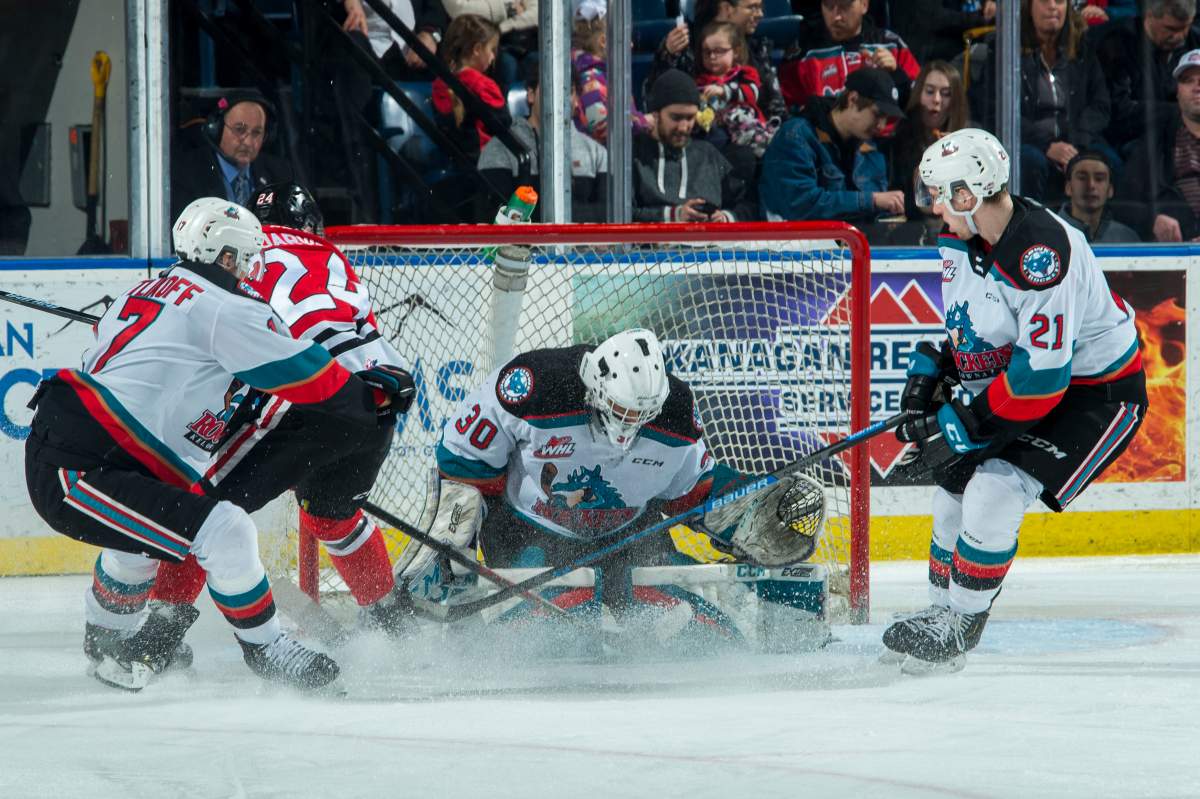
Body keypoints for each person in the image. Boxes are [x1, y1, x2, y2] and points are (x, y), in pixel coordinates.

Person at [22, 198, 409, 691]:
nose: (249, 271)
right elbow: (307, 377)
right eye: (245, 260)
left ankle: (107, 644)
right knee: (222, 525)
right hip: (82, 466)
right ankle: (268, 651)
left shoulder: (143, 291)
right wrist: (371, 397)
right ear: (226, 257)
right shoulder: (224, 307)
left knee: (153, 536)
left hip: (90, 449)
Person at [883, 129, 1147, 673]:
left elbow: (1042, 379)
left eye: (940, 192)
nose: (933, 204)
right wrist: (943, 365)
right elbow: (987, 333)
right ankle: (939, 613)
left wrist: (964, 422)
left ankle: (961, 623)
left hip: (1097, 393)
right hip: (1038, 381)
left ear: (968, 194)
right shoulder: (964, 238)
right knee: (953, 486)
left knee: (994, 487)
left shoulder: (1040, 254)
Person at [146, 184, 419, 646]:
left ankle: (158, 638)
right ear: (313, 226)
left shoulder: (244, 252)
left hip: (313, 398)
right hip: (381, 399)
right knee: (332, 513)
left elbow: (246, 334)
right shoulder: (333, 256)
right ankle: (391, 622)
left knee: (202, 508)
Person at [396, 328, 818, 621]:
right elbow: (461, 465)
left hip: (629, 534)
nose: (627, 429)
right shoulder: (532, 386)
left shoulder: (674, 415)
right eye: (620, 412)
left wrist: (746, 508)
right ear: (595, 388)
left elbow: (694, 491)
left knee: (698, 627)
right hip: (529, 531)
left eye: (641, 416)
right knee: (555, 629)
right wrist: (451, 547)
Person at [973, 0, 1113, 203]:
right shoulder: (1006, 48)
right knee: (1029, 161)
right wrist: (1046, 145)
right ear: (1028, 7)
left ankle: (1103, 233)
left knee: (1109, 162)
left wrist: (1076, 143)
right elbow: (995, 110)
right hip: (1029, 142)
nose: (1053, 6)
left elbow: (1101, 106)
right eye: (1045, 1)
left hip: (1078, 139)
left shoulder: (1082, 48)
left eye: (1059, 1)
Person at [759, 67, 906, 221]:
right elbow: (799, 205)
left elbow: (874, 213)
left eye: (886, 119)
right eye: (877, 114)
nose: (882, 126)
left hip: (852, 243)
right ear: (852, 100)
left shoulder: (870, 149)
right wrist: (872, 200)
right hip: (793, 243)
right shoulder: (796, 136)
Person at [476, 60, 609, 222]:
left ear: (576, 100)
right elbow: (494, 217)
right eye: (550, 87)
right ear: (530, 95)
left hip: (584, 248)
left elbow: (610, 213)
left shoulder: (597, 153)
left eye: (568, 90)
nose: (559, 96)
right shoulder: (499, 149)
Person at [632, 70, 758, 222]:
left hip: (709, 245)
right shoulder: (634, 155)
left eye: (690, 117)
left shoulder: (708, 154)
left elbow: (750, 207)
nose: (684, 127)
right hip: (649, 246)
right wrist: (674, 216)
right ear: (655, 114)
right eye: (676, 118)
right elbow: (621, 214)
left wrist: (726, 218)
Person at [646, 0, 788, 122]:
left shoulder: (757, 48)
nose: (760, 14)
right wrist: (667, 55)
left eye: (760, 7)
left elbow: (776, 108)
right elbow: (657, 99)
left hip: (753, 132)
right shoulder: (683, 46)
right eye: (752, 7)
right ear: (726, 8)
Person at [1113, 47, 1200, 241]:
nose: (1197, 86)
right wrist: (1152, 220)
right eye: (1187, 80)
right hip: (1176, 256)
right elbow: (1123, 202)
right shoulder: (1157, 141)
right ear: (1177, 92)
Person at [1093, 0, 1200, 156]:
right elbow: (1119, 111)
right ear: (1149, 16)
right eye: (1170, 29)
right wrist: (1181, 112)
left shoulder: (1195, 41)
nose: (1180, 37)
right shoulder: (1116, 43)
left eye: (1185, 27)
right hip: (1133, 139)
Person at [777, 0, 920, 114]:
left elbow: (920, 100)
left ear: (864, 5)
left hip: (885, 142)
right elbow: (783, 107)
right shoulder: (803, 51)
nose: (836, 16)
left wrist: (896, 73)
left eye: (844, 6)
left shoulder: (891, 44)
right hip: (823, 144)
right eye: (829, 6)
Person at [170, 90, 294, 221]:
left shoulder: (280, 174)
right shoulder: (187, 173)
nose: (248, 142)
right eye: (239, 130)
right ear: (216, 129)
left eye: (256, 132)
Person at [890, 61, 970, 225]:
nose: (937, 100)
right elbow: (915, 204)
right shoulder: (900, 141)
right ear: (918, 94)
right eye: (929, 91)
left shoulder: (969, 141)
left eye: (946, 93)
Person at [431, 14, 512, 159]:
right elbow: (504, 123)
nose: (493, 57)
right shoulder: (484, 85)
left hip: (455, 158)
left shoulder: (439, 84)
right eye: (492, 50)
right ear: (477, 49)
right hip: (487, 160)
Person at [692, 21, 778, 157]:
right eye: (707, 52)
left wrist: (725, 91)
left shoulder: (745, 73)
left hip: (748, 126)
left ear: (736, 51)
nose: (712, 57)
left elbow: (754, 94)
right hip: (719, 134)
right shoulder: (700, 82)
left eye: (719, 51)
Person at [572, 8, 654, 143]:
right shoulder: (590, 81)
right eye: (626, 38)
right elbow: (601, 128)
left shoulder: (610, 76)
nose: (632, 44)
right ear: (603, 41)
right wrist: (643, 122)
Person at [442, 0, 539, 92]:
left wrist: (501, 27)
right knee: (507, 65)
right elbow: (461, 11)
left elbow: (539, 12)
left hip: (526, 40)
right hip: (476, 43)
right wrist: (508, 9)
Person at [1058, 151, 1141, 241]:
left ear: (1110, 190)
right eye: (1082, 178)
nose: (1091, 185)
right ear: (1068, 187)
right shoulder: (1049, 232)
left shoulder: (1126, 237)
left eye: (1099, 179)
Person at [891, 0, 997, 64]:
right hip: (927, 50)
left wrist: (990, 6)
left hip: (962, 40)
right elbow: (934, 18)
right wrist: (983, 17)